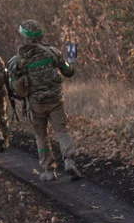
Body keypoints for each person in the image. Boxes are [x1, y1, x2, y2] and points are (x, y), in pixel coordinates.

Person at [7, 19, 82, 181]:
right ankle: (69, 160)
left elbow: (13, 88)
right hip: (55, 101)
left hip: (35, 104)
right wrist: (71, 63)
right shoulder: (53, 52)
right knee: (61, 131)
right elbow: (68, 72)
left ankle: (49, 170)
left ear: (23, 36)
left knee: (41, 136)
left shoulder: (16, 61)